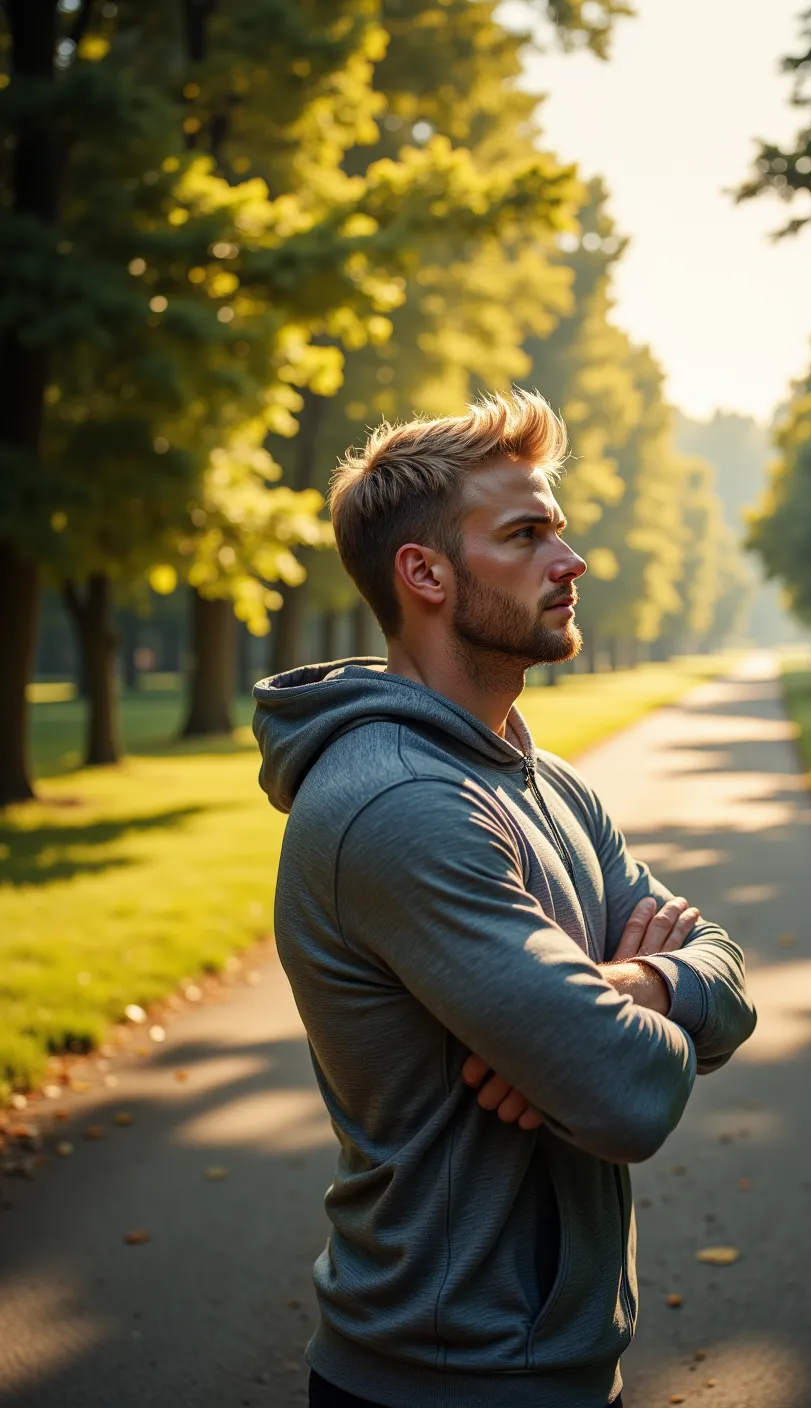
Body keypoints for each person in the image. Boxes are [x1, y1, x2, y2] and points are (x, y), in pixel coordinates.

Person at [253, 389, 757, 1408]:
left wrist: (633, 983)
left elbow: (728, 974)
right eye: (525, 534)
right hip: (444, 1380)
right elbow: (626, 1093)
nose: (568, 563)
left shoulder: (547, 778)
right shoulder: (398, 805)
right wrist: (598, 1038)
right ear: (425, 573)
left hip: (554, 1364)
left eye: (557, 532)